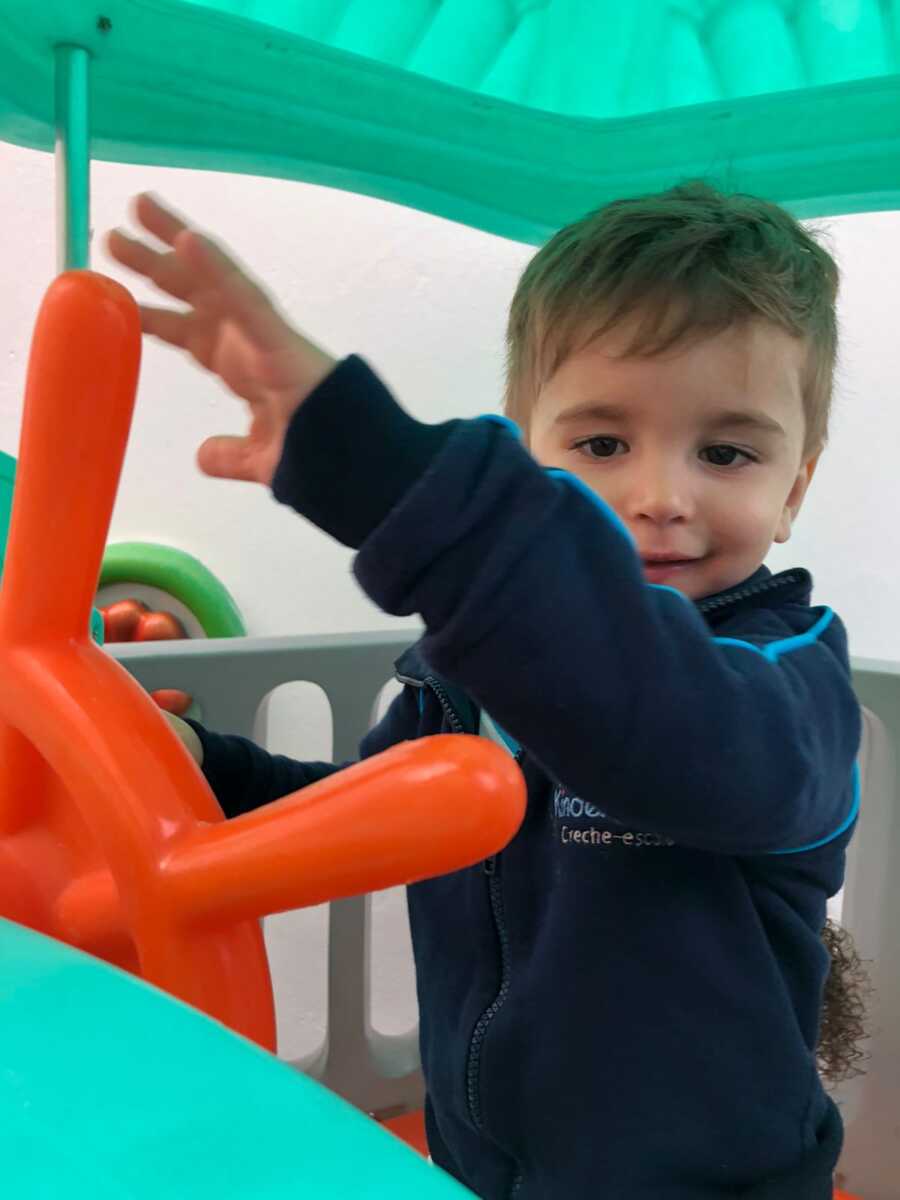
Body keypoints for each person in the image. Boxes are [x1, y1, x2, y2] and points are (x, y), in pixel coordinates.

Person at [108, 181, 867, 1199]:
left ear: (793, 489)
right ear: (525, 457)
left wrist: (391, 480)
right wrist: (206, 768)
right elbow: (357, 818)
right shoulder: (462, 679)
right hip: (481, 1169)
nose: (660, 497)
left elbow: (649, 713)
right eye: (601, 444)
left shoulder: (787, 685)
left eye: (726, 452)